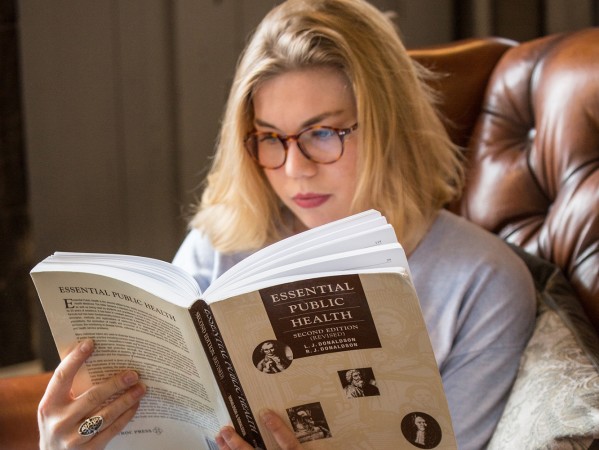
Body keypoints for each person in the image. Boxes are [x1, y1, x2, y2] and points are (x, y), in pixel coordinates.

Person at [37, 0, 536, 449]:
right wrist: (75, 442)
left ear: (389, 125)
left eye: (322, 132)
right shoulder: (222, 242)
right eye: (271, 137)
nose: (295, 168)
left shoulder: (483, 281)